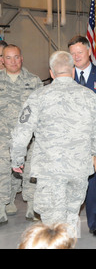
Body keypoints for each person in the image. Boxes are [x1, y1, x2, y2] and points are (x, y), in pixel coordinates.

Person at [9, 51, 96, 238]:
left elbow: (22, 132)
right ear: (72, 71)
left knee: (51, 221)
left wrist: (17, 159)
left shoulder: (38, 97)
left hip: (50, 171)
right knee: (71, 215)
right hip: (78, 170)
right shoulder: (90, 96)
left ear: (51, 72)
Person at [68, 35, 96, 237]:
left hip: (95, 141)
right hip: (72, 141)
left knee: (94, 183)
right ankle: (69, 225)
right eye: (72, 53)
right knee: (70, 184)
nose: (76, 56)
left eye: (79, 52)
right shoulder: (64, 77)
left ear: (88, 52)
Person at [0, 44, 42, 224]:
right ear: (2, 60)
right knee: (2, 172)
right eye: (8, 58)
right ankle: (1, 206)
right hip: (3, 137)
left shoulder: (34, 81)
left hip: (29, 140)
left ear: (22, 58)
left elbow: (42, 110)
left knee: (31, 172)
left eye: (16, 57)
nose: (13, 61)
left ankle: (32, 206)